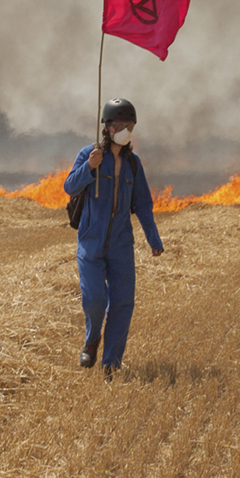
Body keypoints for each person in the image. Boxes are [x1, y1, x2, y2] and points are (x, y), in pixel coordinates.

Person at [63, 98, 164, 380]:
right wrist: (89, 168)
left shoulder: (133, 164)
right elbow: (69, 186)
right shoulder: (89, 154)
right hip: (91, 243)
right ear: (106, 127)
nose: (124, 129)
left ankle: (111, 366)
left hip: (121, 245)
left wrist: (153, 238)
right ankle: (92, 339)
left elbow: (143, 203)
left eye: (128, 124)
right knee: (95, 300)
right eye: (118, 124)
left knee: (122, 304)